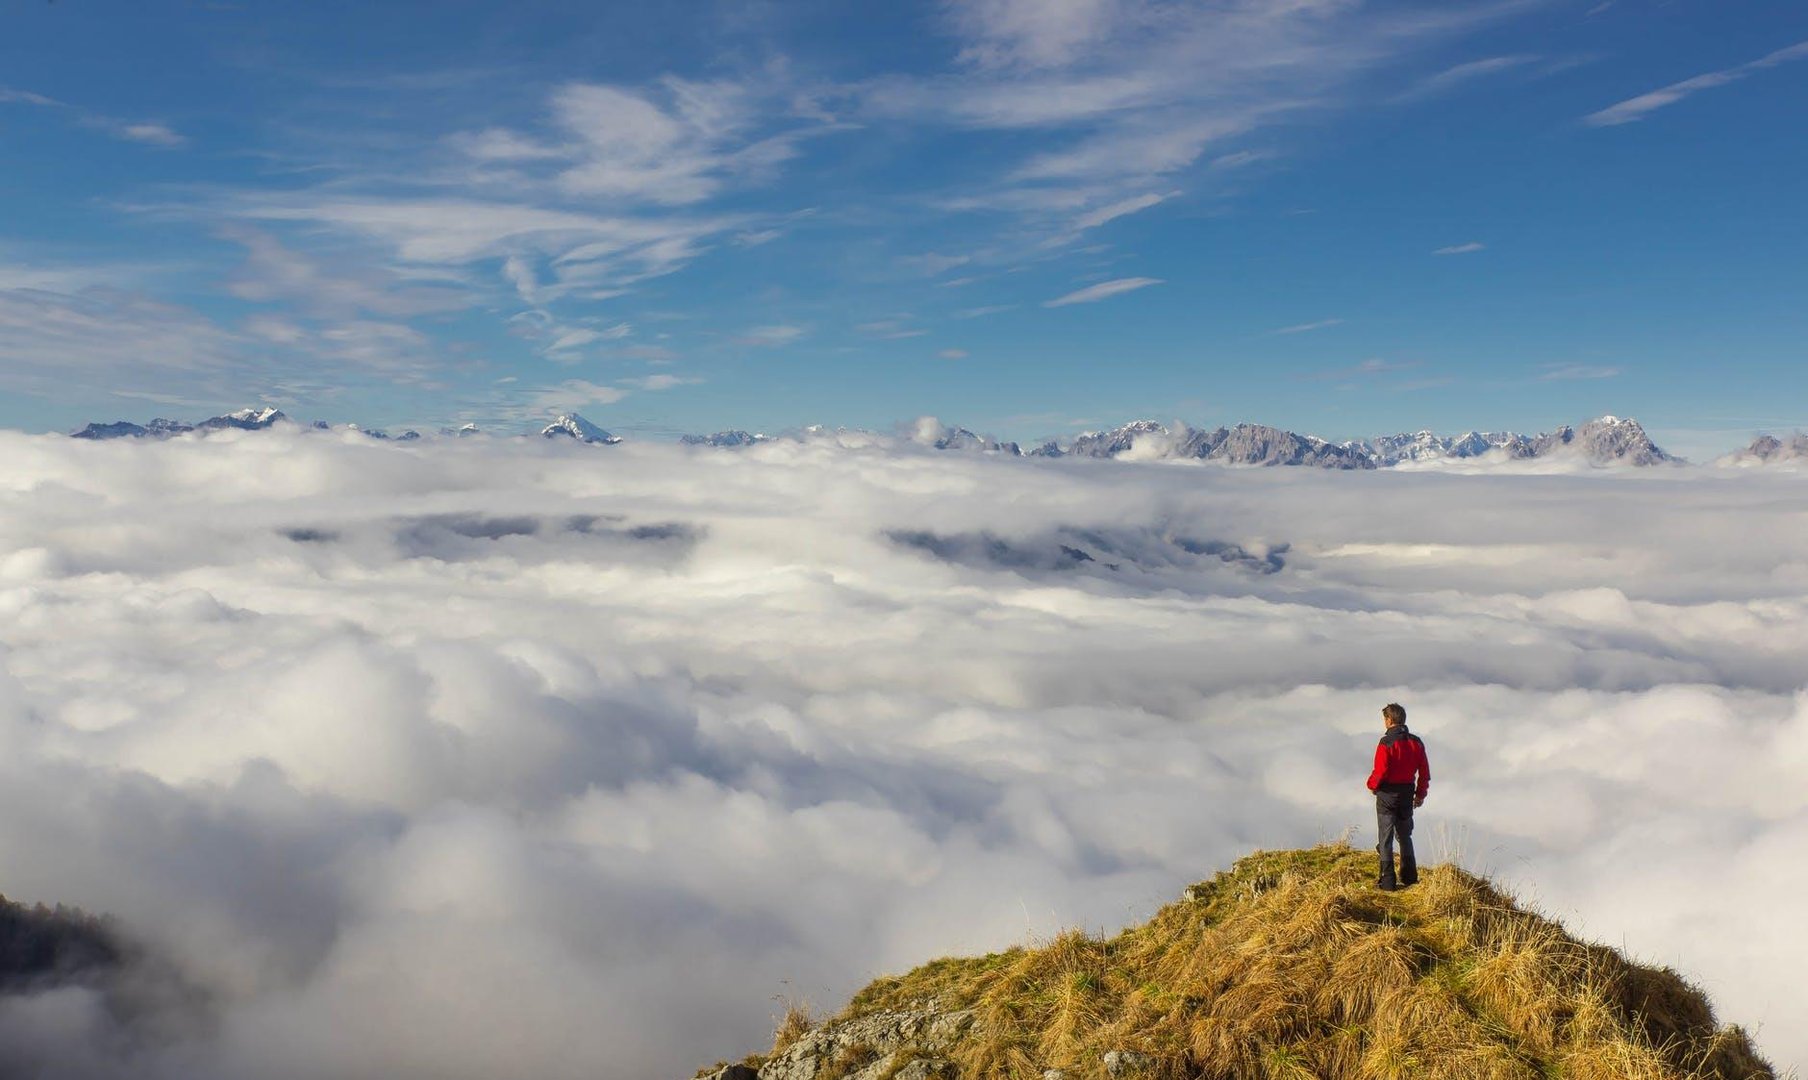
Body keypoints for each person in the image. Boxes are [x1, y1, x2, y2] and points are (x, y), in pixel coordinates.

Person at [1366, 702, 1429, 891]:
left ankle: (1387, 881)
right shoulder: (1416, 742)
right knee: (1404, 835)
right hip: (1407, 794)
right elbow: (1424, 772)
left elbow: (1381, 770)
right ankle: (1409, 876)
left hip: (1387, 795)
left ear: (1389, 720)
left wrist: (1371, 785)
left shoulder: (1386, 743)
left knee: (1385, 837)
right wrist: (1420, 794)